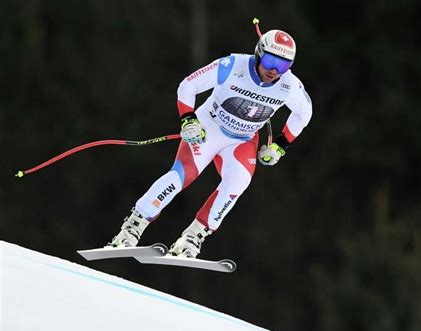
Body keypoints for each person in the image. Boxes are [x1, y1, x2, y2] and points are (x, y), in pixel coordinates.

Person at [107, 26, 313, 258]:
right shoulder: (233, 66)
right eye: (270, 61)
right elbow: (188, 86)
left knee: (238, 183)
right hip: (209, 128)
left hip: (242, 141)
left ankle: (192, 238)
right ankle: (131, 229)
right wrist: (188, 120)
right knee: (181, 177)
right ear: (258, 53)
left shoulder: (290, 86)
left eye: (283, 65)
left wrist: (280, 146)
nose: (274, 70)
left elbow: (304, 113)